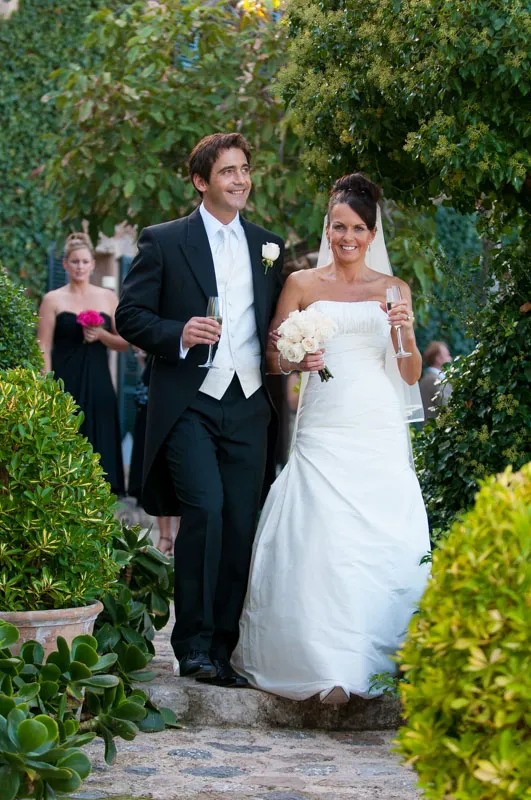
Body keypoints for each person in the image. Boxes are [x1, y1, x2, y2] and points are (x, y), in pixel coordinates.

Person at [232, 174, 430, 704]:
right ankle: (325, 667)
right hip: (323, 422)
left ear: (371, 232)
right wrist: (298, 358)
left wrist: (406, 333)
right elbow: (273, 358)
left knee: (375, 540)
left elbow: (409, 375)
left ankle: (374, 659)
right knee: (322, 534)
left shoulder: (394, 289)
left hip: (378, 424)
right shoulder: (300, 284)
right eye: (339, 226)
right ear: (328, 227)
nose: (348, 237)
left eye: (358, 228)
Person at [115, 132, 284, 687]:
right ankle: (191, 645)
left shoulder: (268, 245)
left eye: (245, 169)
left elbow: (275, 327)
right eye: (229, 171)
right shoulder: (164, 241)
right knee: (205, 511)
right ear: (201, 180)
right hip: (191, 400)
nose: (241, 179)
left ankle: (223, 649)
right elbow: (130, 316)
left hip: (250, 403)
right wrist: (179, 333)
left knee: (239, 524)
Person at [38, 232, 127, 495]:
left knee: (100, 446)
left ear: (92, 264)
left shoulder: (108, 298)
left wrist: (101, 335)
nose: (79, 266)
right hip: (65, 382)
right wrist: (47, 386)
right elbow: (43, 346)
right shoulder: (52, 299)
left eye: (84, 261)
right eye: (74, 261)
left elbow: (124, 343)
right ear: (65, 264)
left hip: (99, 381)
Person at [128, 350, 181, 554]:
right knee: (159, 463)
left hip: (185, 383)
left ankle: (178, 538)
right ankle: (166, 536)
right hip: (156, 386)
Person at [419, 340, 453, 420]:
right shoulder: (434, 380)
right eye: (447, 355)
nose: (450, 358)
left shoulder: (429, 378)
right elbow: (447, 408)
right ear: (438, 359)